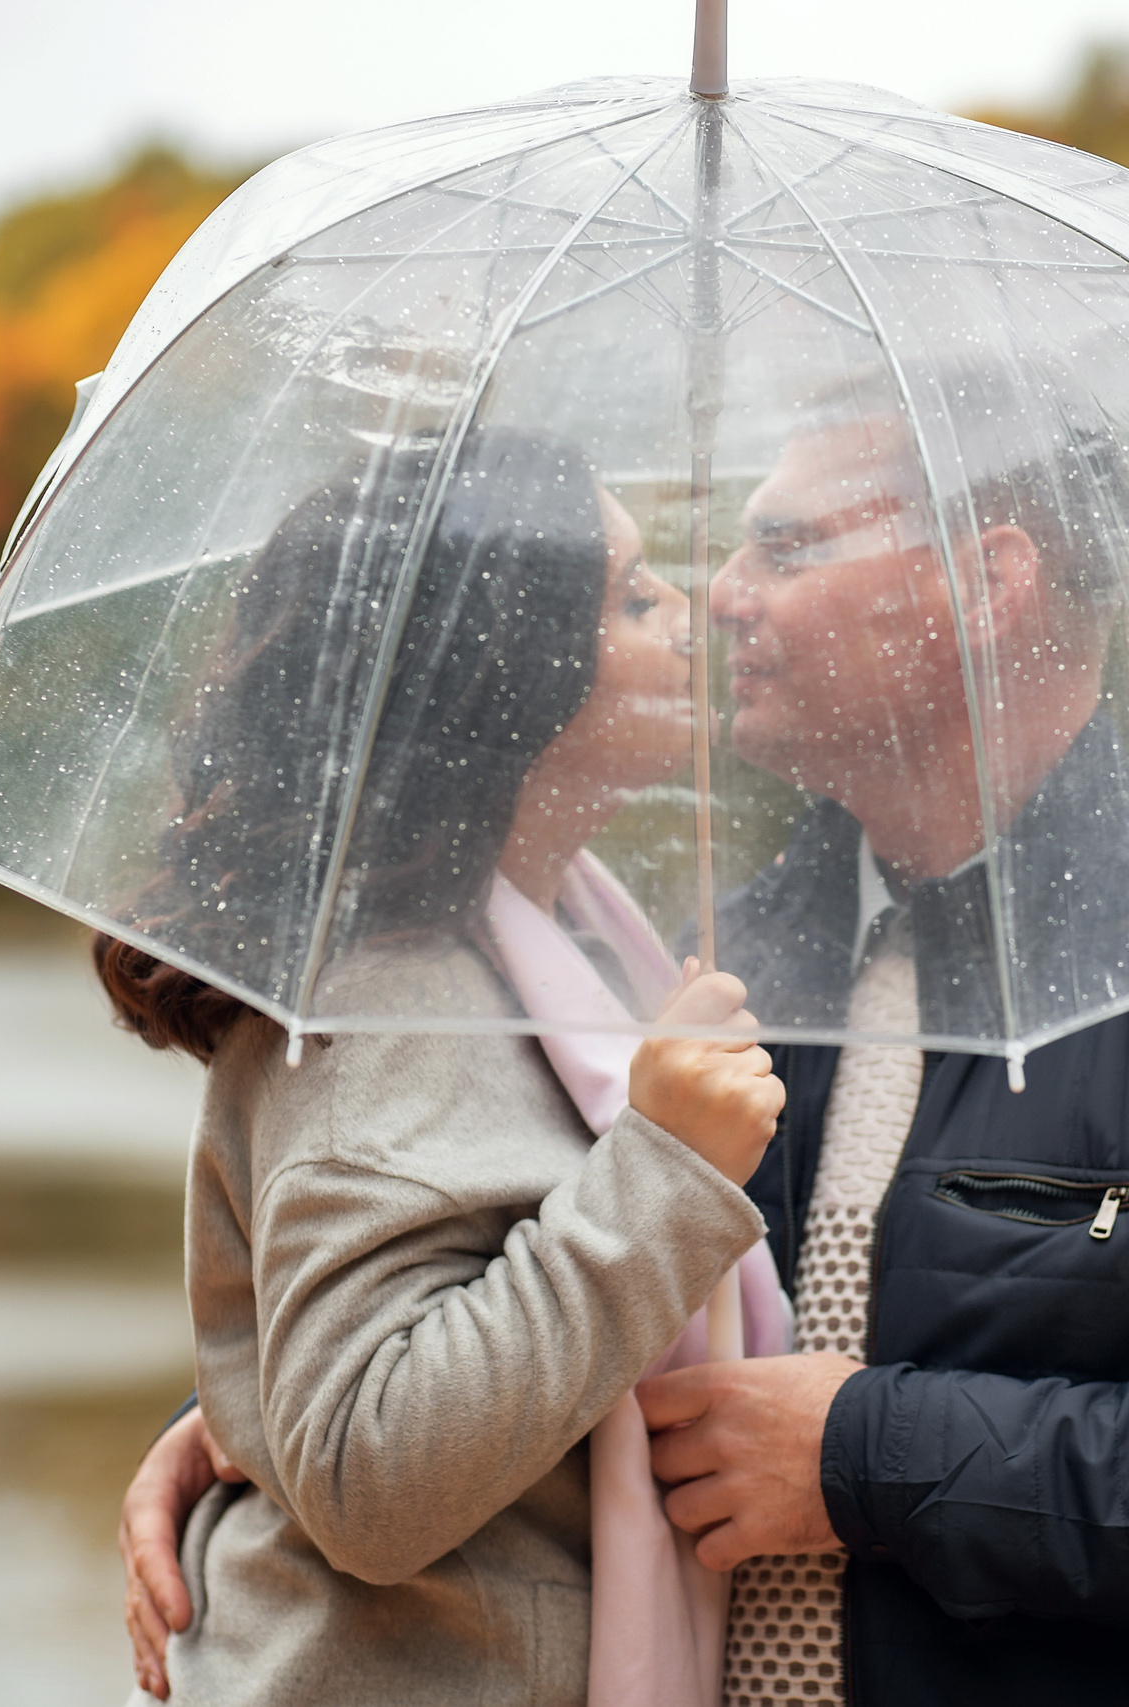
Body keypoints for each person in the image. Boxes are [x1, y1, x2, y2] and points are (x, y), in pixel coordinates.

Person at [121, 379, 1129, 1707]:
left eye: (784, 546)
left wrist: (867, 1453)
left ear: (986, 578)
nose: (724, 594)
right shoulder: (694, 973)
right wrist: (256, 1428)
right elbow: (539, 1288)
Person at [96, 426, 787, 1706]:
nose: (689, 611)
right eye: (633, 597)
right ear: (511, 683)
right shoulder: (392, 1006)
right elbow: (364, 1475)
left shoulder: (567, 950)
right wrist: (666, 1173)